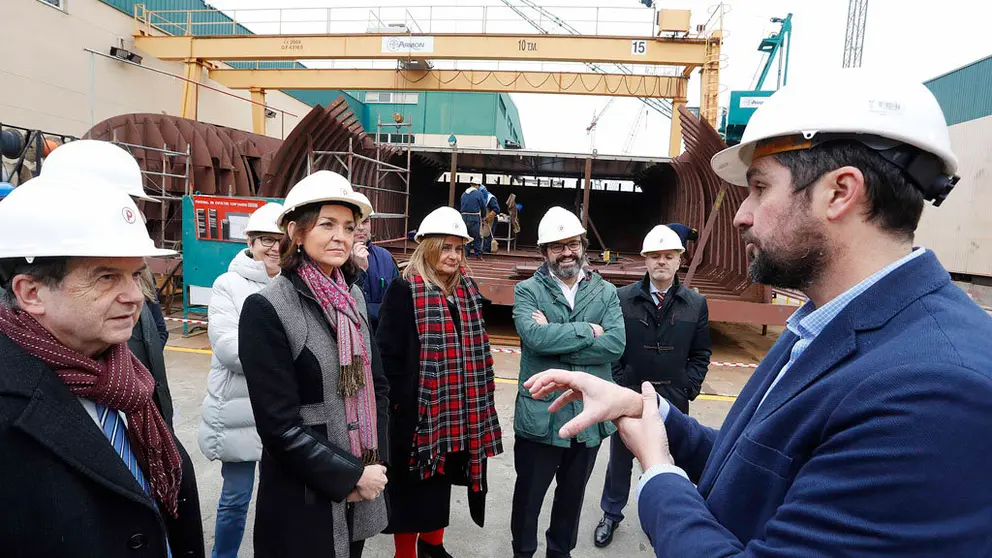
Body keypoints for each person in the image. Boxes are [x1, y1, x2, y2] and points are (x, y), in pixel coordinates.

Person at [525, 69, 992, 556]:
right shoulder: (821, 326)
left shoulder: (935, 390)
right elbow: (754, 468)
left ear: (839, 192)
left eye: (760, 188)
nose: (740, 215)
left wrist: (660, 474)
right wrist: (646, 408)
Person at [0, 176, 204, 557]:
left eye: (135, 275)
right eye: (106, 277)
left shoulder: (126, 378)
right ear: (31, 293)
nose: (133, 297)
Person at [239, 170, 390, 558]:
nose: (341, 236)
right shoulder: (268, 307)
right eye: (327, 224)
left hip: (360, 487)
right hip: (303, 499)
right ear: (296, 232)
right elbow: (278, 426)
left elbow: (378, 387)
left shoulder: (352, 297)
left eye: (349, 226)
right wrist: (350, 476)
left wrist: (375, 467)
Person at [376, 206, 504, 558]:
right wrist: (402, 403)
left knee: (440, 482)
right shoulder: (405, 289)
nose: (453, 255)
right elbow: (386, 353)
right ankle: (406, 552)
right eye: (445, 247)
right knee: (410, 487)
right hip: (417, 414)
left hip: (456, 411)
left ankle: (434, 546)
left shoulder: (465, 291)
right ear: (428, 248)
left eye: (458, 248)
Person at [510, 206, 625, 558]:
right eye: (557, 246)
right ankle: (523, 553)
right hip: (540, 417)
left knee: (572, 498)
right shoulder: (528, 291)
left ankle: (559, 553)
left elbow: (616, 344)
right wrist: (589, 330)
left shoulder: (604, 292)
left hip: (586, 417)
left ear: (582, 246)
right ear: (544, 252)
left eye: (572, 244)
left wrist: (555, 336)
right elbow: (535, 339)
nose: (567, 252)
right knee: (528, 497)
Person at [593, 224, 711, 547]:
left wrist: (689, 386)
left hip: (673, 401)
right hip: (630, 397)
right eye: (655, 256)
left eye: (668, 256)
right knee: (620, 460)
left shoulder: (695, 304)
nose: (662, 261)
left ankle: (678, 519)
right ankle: (611, 513)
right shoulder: (623, 299)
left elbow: (701, 353)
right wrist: (620, 386)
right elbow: (612, 347)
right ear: (644, 260)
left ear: (679, 261)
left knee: (673, 461)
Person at [43, 139, 177, 423]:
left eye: (130, 202)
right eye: (106, 278)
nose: (132, 295)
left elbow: (156, 334)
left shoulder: (134, 269)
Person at [198, 202, 284, 558]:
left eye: (281, 240)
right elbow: (229, 348)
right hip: (237, 407)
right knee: (236, 497)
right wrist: (286, 361)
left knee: (280, 501)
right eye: (266, 239)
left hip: (280, 410)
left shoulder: (292, 285)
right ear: (250, 240)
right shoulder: (227, 285)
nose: (274, 247)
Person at [351, 192, 399, 332]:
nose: (361, 227)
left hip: (384, 338)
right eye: (355, 222)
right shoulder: (335, 260)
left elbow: (398, 302)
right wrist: (358, 272)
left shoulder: (385, 258)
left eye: (365, 221)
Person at [459, 180, 486, 258]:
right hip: (474, 217)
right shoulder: (479, 194)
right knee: (476, 236)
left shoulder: (464, 194)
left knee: (466, 235)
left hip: (463, 217)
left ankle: (465, 254)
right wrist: (483, 217)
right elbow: (483, 206)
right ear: (477, 185)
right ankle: (477, 254)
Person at [479, 185, 501, 253]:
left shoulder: (490, 198)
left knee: (489, 235)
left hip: (492, 219)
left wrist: (488, 218)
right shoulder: (481, 198)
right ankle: (482, 248)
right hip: (484, 218)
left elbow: (496, 209)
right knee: (483, 234)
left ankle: (486, 250)